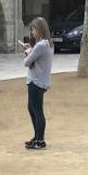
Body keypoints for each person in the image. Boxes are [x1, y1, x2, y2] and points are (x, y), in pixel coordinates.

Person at [22, 17, 54, 150]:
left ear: (39, 29)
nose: (32, 32)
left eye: (33, 29)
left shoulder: (40, 45)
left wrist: (28, 51)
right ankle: (37, 137)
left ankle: (40, 140)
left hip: (36, 81)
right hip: (41, 80)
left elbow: (27, 62)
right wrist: (31, 49)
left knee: (37, 110)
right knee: (32, 108)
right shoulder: (47, 44)